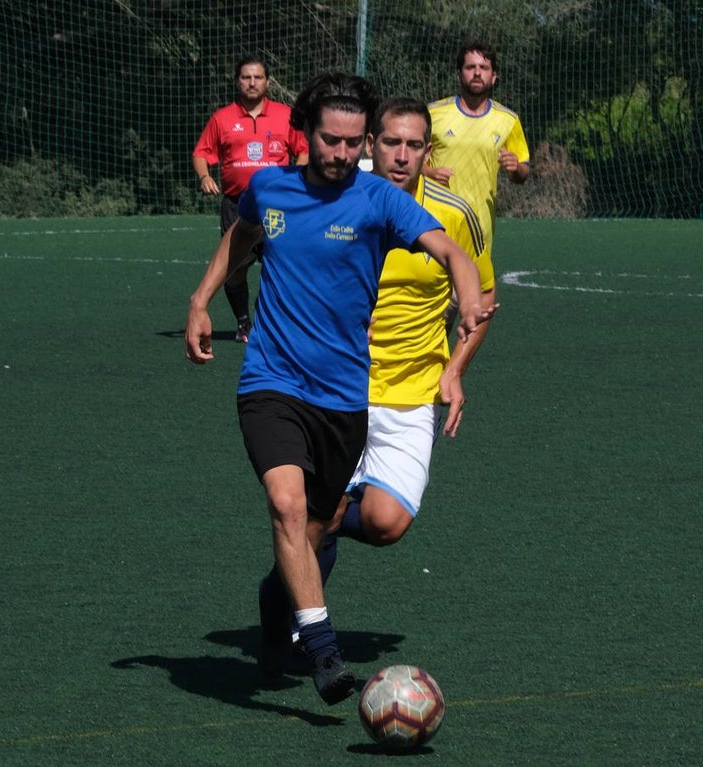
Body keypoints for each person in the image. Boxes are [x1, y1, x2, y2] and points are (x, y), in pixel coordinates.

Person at [184, 73, 496, 706]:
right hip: (271, 381)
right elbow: (241, 236)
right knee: (289, 506)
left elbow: (449, 250)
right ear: (305, 133)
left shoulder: (380, 200)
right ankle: (323, 653)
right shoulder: (269, 187)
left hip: (344, 397)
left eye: (354, 143)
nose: (343, 154)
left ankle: (279, 608)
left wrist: (466, 295)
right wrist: (200, 298)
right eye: (332, 141)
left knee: (319, 526)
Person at [312, 98, 496, 597]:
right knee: (324, 514)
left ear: (427, 150)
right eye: (391, 142)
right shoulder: (338, 204)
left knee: (386, 523)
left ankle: (309, 536)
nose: (401, 155)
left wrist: (455, 368)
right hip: (341, 385)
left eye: (414, 145)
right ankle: (294, 624)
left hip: (413, 391)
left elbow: (484, 296)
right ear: (371, 144)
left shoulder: (455, 214)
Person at [192, 55, 308, 341]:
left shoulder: (286, 115)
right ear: (237, 81)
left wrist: (299, 181)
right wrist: (205, 176)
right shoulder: (222, 118)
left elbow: (303, 150)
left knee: (281, 267)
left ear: (267, 81)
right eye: (246, 77)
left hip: (279, 207)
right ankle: (244, 322)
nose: (252, 82)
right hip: (236, 205)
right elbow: (201, 154)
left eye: (257, 77)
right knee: (233, 270)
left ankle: (269, 321)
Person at [425, 39, 530, 281]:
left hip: (480, 227)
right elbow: (410, 160)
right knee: (435, 302)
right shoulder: (433, 114)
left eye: (484, 68)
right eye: (470, 67)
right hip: (435, 222)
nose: (477, 73)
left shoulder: (508, 120)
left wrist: (516, 169)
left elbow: (523, 171)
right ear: (459, 74)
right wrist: (427, 173)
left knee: (476, 302)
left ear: (494, 77)